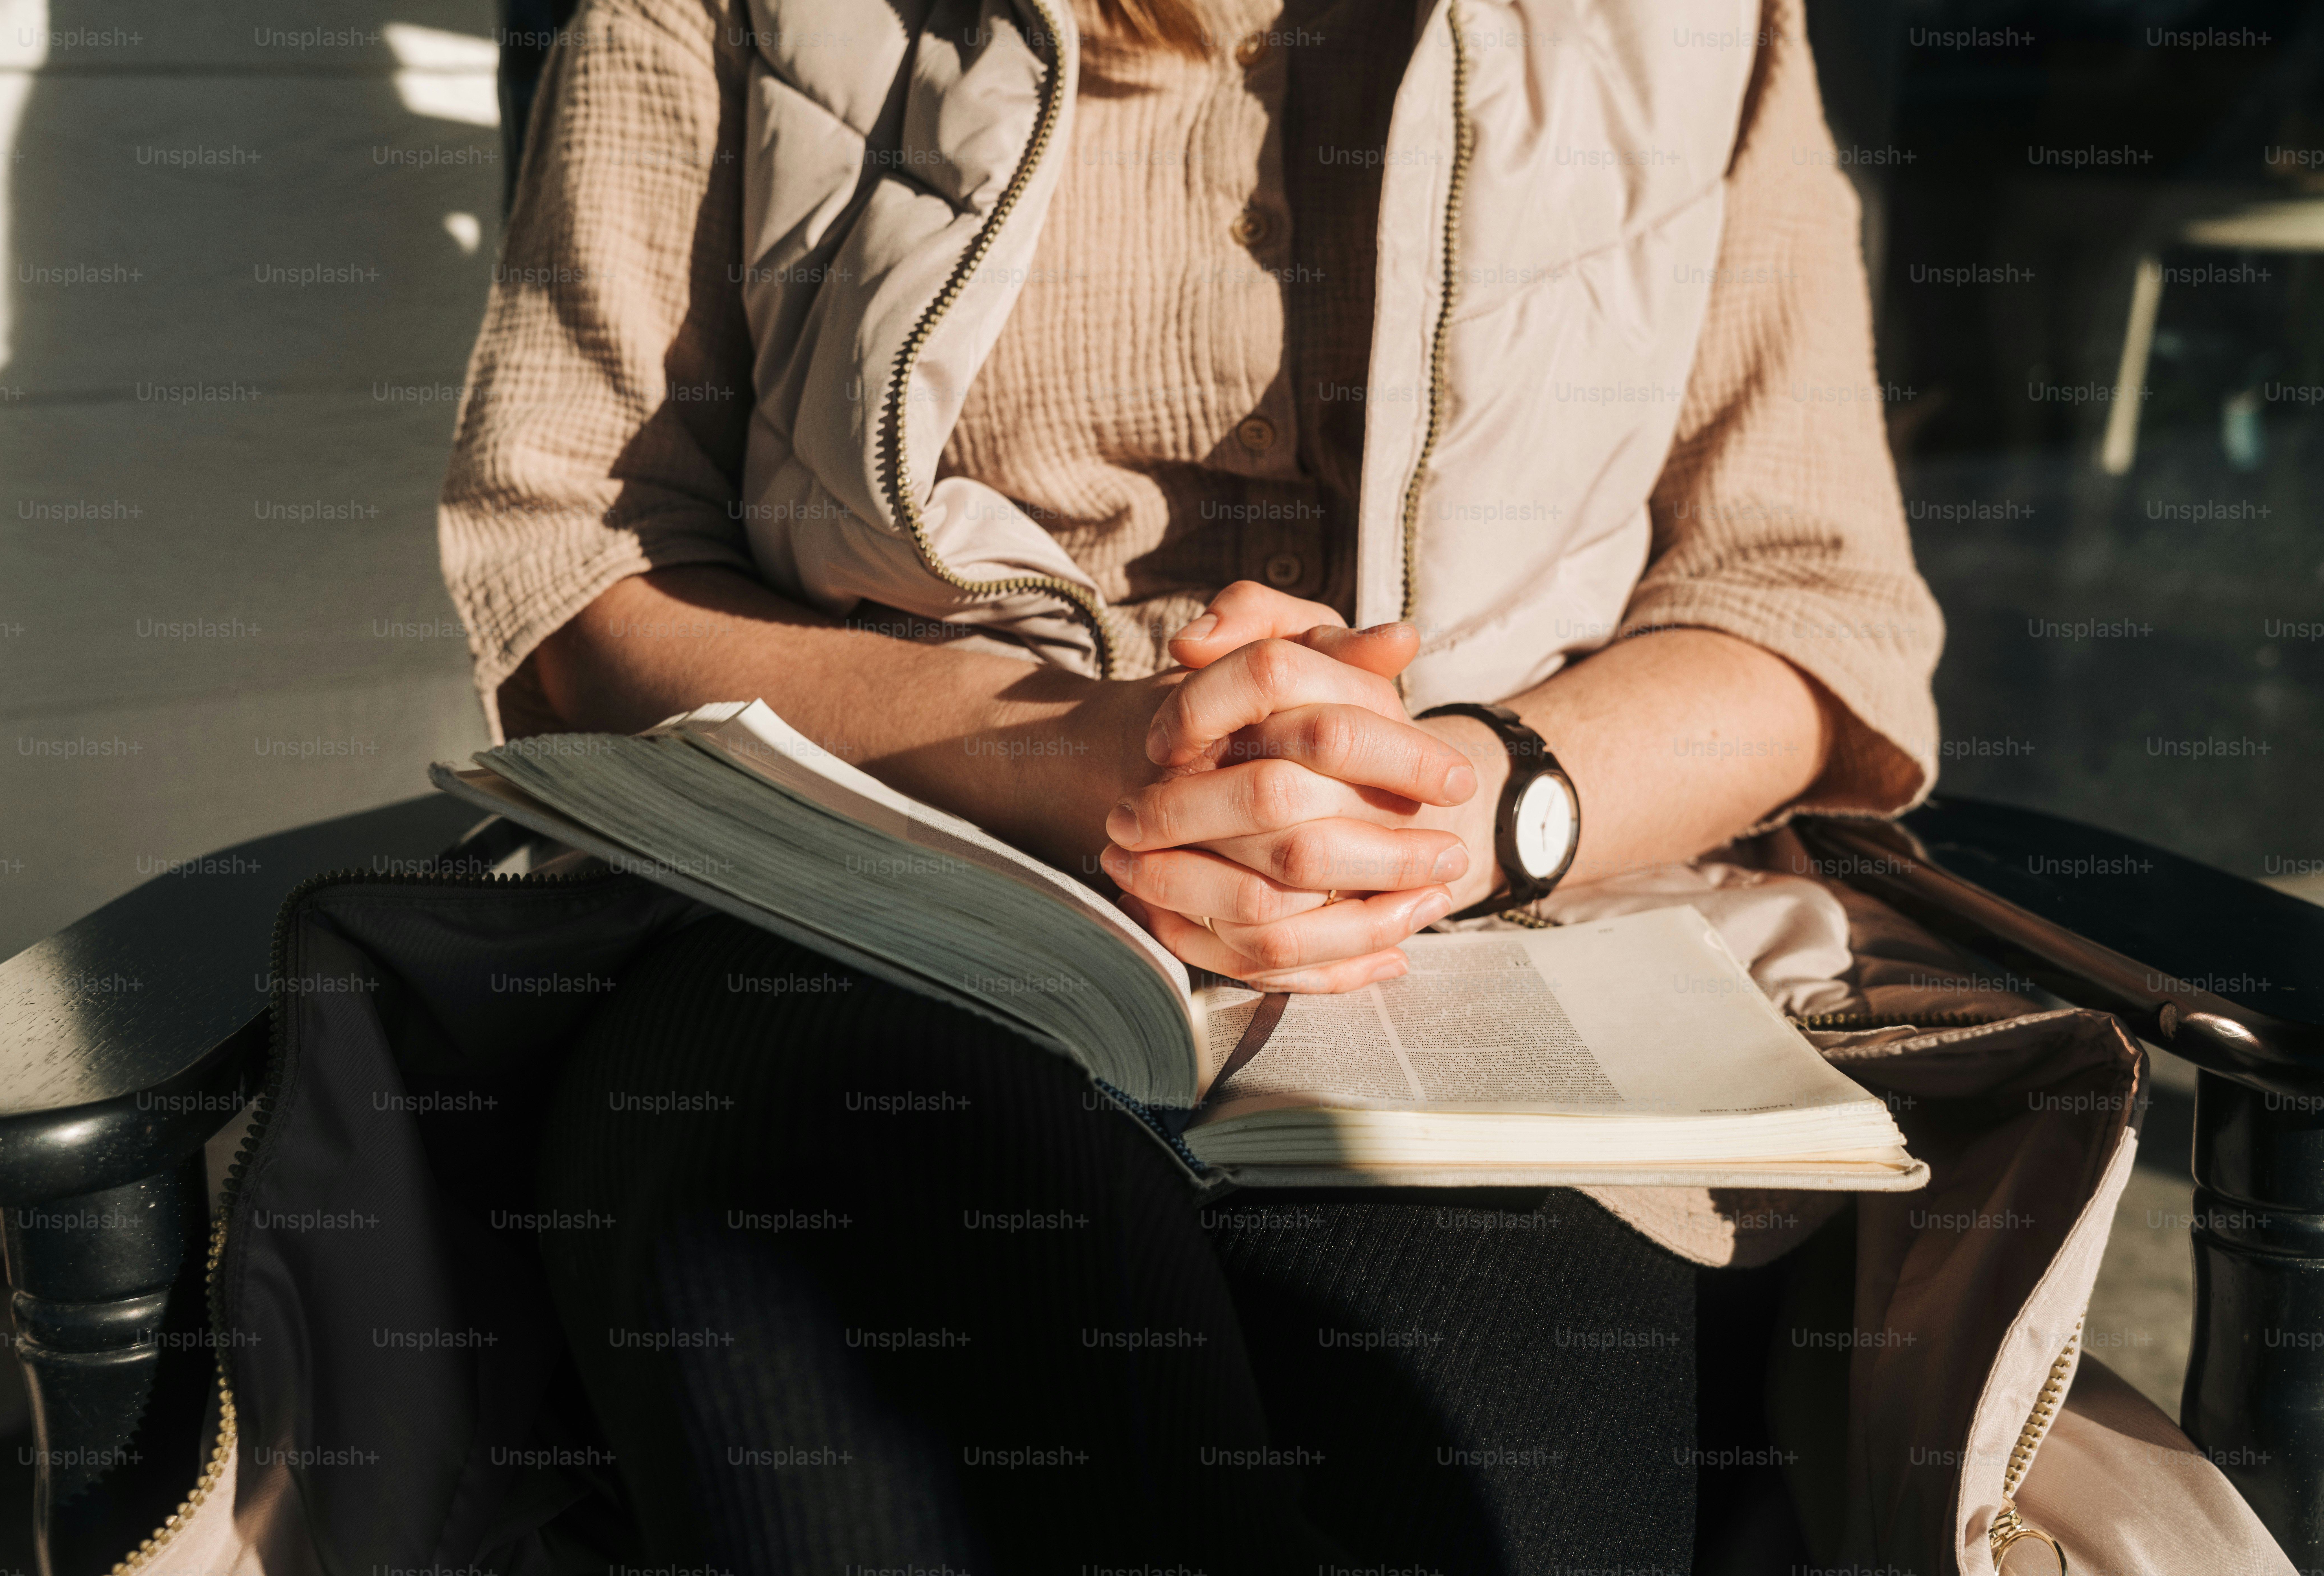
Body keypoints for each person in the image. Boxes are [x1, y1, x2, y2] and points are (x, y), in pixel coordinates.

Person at [438, 0, 1943, 1567]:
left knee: (1456, 1492)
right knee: (834, 1245)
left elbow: (1809, 609)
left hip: (1504, 971)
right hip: (873, 894)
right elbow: (579, 564)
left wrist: (1448, 809)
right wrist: (1062, 750)